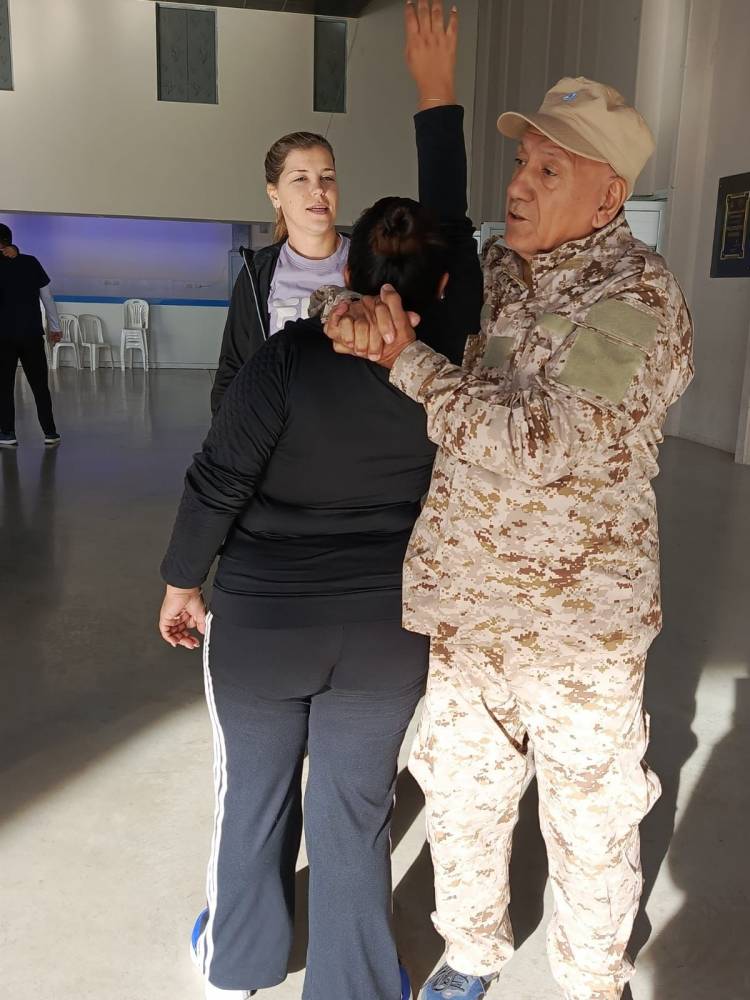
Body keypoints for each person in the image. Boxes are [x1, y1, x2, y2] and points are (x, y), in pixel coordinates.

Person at [324, 45, 695, 1000]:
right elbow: (405, 271)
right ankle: (474, 952)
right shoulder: (503, 269)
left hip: (579, 633)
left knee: (591, 820)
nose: (519, 184)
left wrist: (409, 366)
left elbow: (541, 440)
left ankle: (592, 978)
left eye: (548, 171)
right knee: (462, 797)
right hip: (470, 612)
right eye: (522, 162)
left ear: (607, 199)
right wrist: (357, 313)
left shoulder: (638, 299)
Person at [158, 6, 481, 999]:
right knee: (355, 813)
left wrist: (181, 580)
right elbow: (455, 238)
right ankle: (355, 985)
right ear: (436, 287)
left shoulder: (285, 361)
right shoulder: (446, 369)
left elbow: (218, 476)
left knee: (252, 799)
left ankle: (240, 962)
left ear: (351, 272)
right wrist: (437, 101)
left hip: (264, 625)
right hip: (384, 631)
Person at [210, 131, 349, 414]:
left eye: (327, 177)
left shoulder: (370, 261)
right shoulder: (258, 273)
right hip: (281, 434)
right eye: (301, 179)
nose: (318, 189)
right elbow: (233, 370)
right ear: (275, 195)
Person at [0, 224, 62, 448]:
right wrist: (55, 327)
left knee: (4, 387)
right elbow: (47, 297)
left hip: (3, 337)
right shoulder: (31, 262)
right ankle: (50, 432)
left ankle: (7, 433)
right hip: (31, 334)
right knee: (39, 385)